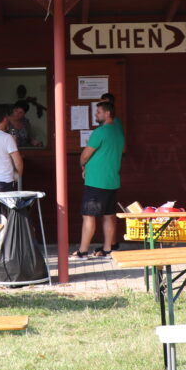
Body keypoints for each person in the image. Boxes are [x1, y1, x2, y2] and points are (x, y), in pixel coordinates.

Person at [73, 100, 125, 258]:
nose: (96, 114)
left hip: (96, 181)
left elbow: (85, 155)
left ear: (107, 113)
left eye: (98, 112)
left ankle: (83, 251)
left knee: (89, 216)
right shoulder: (118, 131)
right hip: (112, 180)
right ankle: (108, 249)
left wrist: (83, 166)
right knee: (108, 215)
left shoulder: (100, 132)